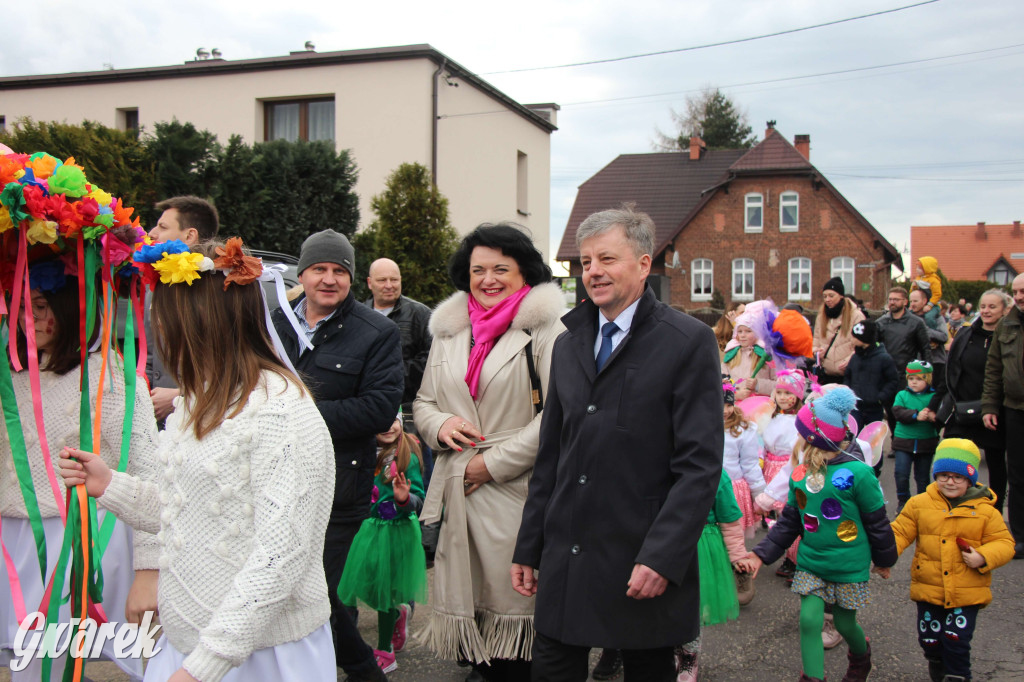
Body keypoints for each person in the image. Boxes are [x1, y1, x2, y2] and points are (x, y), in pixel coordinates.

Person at [59, 240, 337, 682]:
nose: (159, 334)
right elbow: (192, 510)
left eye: (165, 321)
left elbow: (281, 555)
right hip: (191, 643)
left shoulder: (281, 413)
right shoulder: (198, 400)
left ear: (203, 325)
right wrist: (110, 484)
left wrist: (204, 666)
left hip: (260, 654)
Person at [511, 205, 723, 682]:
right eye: (585, 262)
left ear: (644, 264)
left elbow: (699, 466)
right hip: (568, 553)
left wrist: (663, 556)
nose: (594, 272)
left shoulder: (687, 341)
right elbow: (552, 456)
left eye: (607, 259)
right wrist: (530, 546)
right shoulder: (567, 343)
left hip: (640, 557)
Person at [414, 223, 565, 681]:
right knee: (472, 615)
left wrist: (490, 464)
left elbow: (560, 413)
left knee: (515, 617)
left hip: (515, 493)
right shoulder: (449, 331)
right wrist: (441, 426)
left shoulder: (545, 328)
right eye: (478, 269)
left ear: (525, 273)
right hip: (460, 492)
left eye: (502, 267)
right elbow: (423, 402)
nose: (488, 279)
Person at [1, 266, 157, 682]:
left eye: (41, 306)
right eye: (20, 306)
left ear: (71, 309)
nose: (26, 318)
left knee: (45, 661)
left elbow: (149, 473)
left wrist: (149, 570)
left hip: (73, 540)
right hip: (11, 539)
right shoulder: (8, 373)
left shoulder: (110, 376)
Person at [271, 228, 403, 682]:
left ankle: (365, 672)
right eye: (319, 270)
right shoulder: (276, 321)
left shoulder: (377, 332)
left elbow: (379, 407)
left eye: (339, 271)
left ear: (351, 277)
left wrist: (294, 415)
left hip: (339, 485)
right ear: (303, 273)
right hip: (276, 480)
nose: (329, 279)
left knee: (321, 593)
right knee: (286, 589)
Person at [740, 386, 898, 682]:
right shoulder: (799, 473)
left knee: (844, 622)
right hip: (811, 562)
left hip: (849, 565)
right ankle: (812, 678)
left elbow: (878, 522)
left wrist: (885, 560)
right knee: (810, 621)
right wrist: (761, 554)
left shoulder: (859, 474)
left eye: (800, 432)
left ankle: (861, 656)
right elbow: (790, 521)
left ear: (811, 437)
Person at [884, 439, 1015, 682]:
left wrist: (983, 556)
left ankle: (958, 675)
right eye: (943, 475)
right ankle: (936, 661)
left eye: (957, 476)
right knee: (930, 640)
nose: (950, 481)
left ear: (970, 479)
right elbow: (900, 532)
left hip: (967, 591)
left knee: (956, 639)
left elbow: (1005, 543)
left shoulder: (985, 510)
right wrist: (885, 556)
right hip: (929, 587)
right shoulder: (919, 504)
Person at [337, 415, 427, 675]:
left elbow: (419, 499)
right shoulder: (364, 452)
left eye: (393, 420)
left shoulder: (406, 455)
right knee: (358, 584)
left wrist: (404, 498)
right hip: (368, 529)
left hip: (396, 533)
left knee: (385, 592)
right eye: (379, 420)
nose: (388, 426)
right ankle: (397, 615)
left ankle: (385, 650)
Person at [145, 196, 221, 424]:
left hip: (202, 422)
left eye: (163, 227)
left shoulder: (216, 291)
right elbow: (150, 357)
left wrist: (180, 397)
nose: (151, 233)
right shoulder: (158, 287)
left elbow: (234, 370)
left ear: (190, 236)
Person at [673, 470, 749, 682]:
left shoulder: (717, 474)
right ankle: (670, 651)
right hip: (668, 543)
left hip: (702, 549)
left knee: (693, 608)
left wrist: (738, 557)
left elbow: (729, 520)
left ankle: (689, 657)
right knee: (668, 605)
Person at [942, 290, 1010, 516]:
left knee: (996, 462)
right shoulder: (966, 333)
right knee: (955, 458)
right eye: (983, 306)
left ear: (1004, 310)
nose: (986, 311)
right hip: (964, 406)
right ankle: (957, 507)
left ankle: (995, 511)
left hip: (995, 408)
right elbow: (952, 367)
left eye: (992, 307)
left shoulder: (1008, 335)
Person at [981, 272, 1024, 560]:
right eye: (1016, 292)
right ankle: (1020, 537)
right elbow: (994, 370)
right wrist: (990, 406)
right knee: (1017, 474)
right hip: (1014, 409)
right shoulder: (1007, 325)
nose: (1019, 297)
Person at [364, 258, 433, 429]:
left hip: (409, 414)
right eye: (382, 280)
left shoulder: (421, 314)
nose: (389, 285)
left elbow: (432, 360)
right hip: (367, 410)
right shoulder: (359, 315)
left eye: (394, 279)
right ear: (369, 283)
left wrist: (389, 375)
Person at [721, 383, 762, 606]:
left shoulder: (742, 429)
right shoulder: (701, 424)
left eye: (729, 404)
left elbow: (750, 463)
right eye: (721, 405)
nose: (725, 410)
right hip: (708, 486)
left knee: (733, 535)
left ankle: (740, 572)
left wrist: (759, 493)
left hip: (733, 489)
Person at [891, 361, 941, 512]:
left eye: (919, 379)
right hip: (903, 441)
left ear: (927, 379)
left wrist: (934, 418)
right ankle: (903, 501)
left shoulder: (933, 397)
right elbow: (897, 412)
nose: (914, 382)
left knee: (923, 477)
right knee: (901, 474)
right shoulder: (902, 395)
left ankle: (923, 503)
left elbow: (940, 417)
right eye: (911, 378)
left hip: (926, 442)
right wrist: (915, 415)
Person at [844, 319, 899, 435]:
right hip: (855, 407)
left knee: (873, 440)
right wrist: (848, 392)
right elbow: (848, 376)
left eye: (855, 337)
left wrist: (880, 397)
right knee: (852, 438)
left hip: (874, 408)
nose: (851, 339)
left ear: (864, 339)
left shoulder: (884, 358)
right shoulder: (855, 357)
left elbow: (893, 380)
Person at [812, 277, 866, 385]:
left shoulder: (856, 316)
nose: (827, 299)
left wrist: (851, 359)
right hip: (826, 374)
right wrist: (816, 351)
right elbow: (816, 340)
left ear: (841, 295)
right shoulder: (821, 316)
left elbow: (862, 344)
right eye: (825, 296)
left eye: (831, 296)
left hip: (847, 375)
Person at [722, 302, 777, 400]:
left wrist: (758, 384)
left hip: (760, 406)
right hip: (735, 408)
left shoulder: (766, 355)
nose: (743, 335)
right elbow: (721, 382)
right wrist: (735, 395)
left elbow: (779, 385)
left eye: (748, 331)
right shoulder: (731, 355)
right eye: (740, 331)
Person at [910, 288, 949, 394]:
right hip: (914, 363)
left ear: (924, 301)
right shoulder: (908, 318)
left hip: (935, 362)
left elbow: (944, 337)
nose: (912, 304)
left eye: (915, 301)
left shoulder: (936, 317)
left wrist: (924, 330)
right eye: (911, 301)